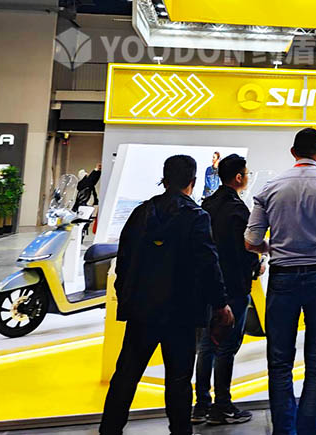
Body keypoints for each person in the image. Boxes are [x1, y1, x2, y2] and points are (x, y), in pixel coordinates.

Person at [100, 155, 232, 435]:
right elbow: (208, 264)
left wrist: (126, 296)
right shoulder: (196, 217)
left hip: (142, 310)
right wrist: (221, 304)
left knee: (126, 376)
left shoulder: (141, 213)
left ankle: (109, 430)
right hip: (181, 313)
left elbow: (124, 260)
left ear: (165, 178)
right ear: (192, 182)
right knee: (179, 380)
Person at [246, 128, 316, 435]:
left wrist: (271, 248)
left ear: (293, 152)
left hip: (283, 277)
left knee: (279, 361)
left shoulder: (270, 188)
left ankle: (284, 430)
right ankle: (309, 430)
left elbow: (251, 241)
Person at [193, 154, 261, 426]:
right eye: (247, 173)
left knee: (207, 345)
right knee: (227, 346)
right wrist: (256, 266)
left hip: (208, 286)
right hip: (233, 286)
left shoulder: (206, 205)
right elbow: (244, 250)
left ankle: (201, 406)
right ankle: (222, 406)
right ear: (238, 177)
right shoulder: (239, 211)